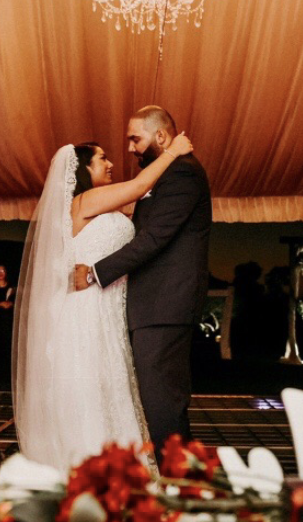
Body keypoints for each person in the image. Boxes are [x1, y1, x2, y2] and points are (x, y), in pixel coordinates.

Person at [19, 104, 204, 469]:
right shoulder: (89, 200)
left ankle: (145, 469)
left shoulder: (112, 206)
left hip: (117, 310)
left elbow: (147, 231)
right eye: (102, 159)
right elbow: (140, 187)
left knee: (127, 392)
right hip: (91, 309)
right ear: (83, 171)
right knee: (97, 392)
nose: (118, 158)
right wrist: (171, 151)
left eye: (135, 139)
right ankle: (101, 467)